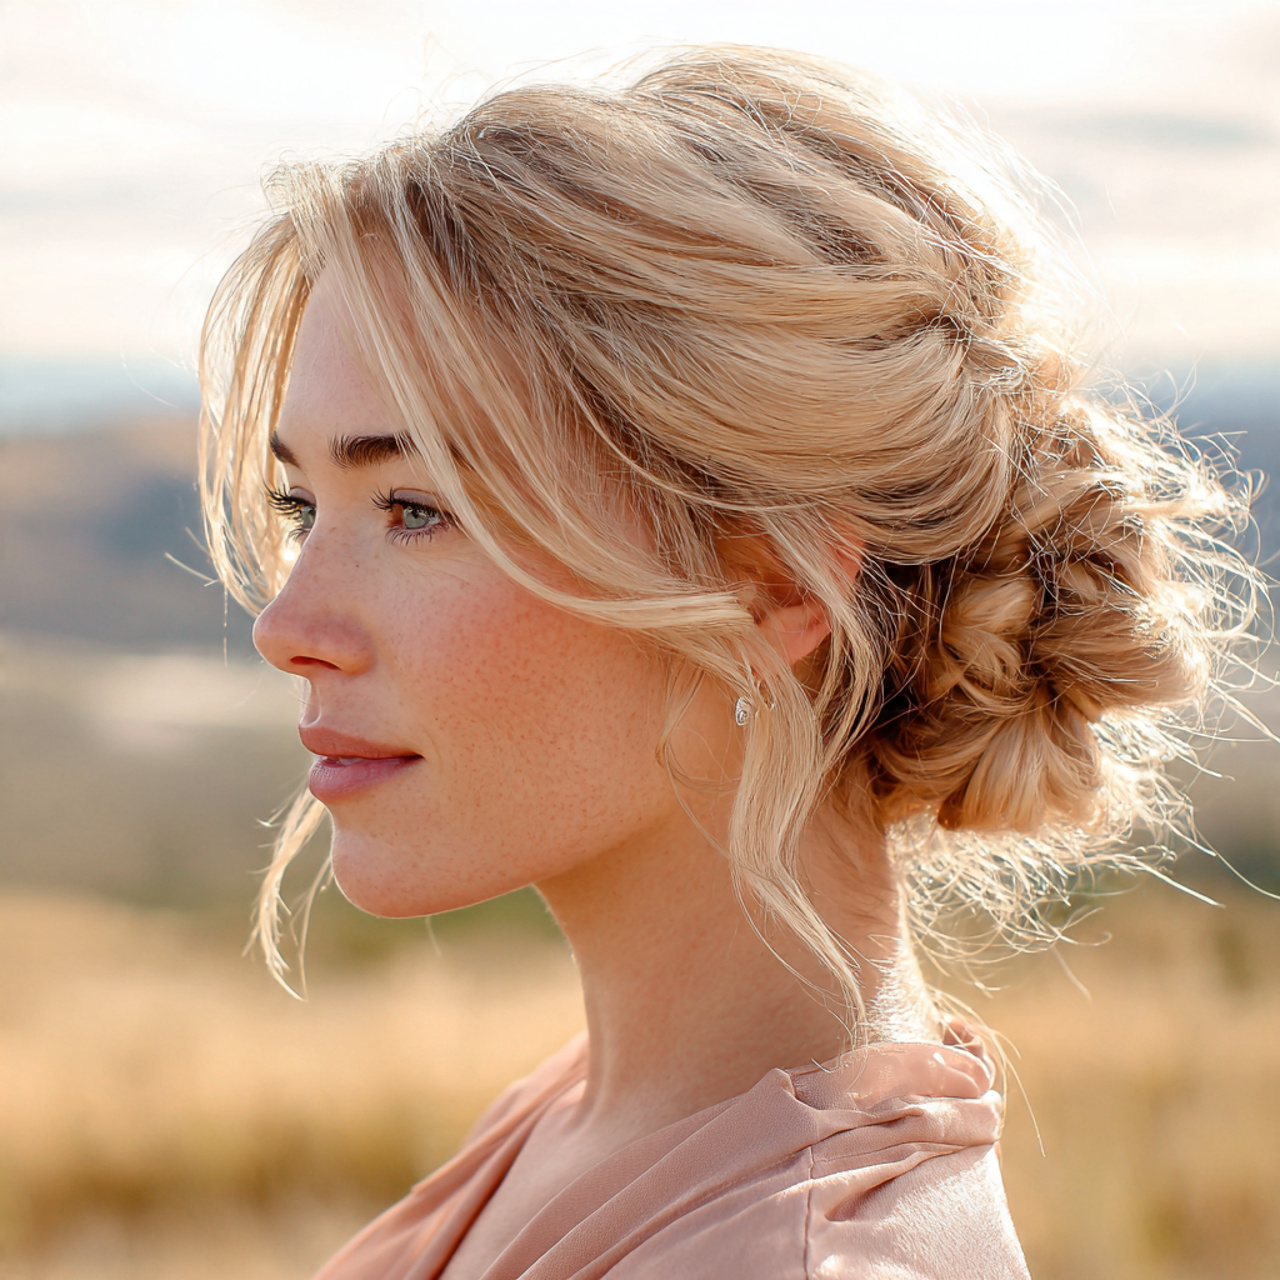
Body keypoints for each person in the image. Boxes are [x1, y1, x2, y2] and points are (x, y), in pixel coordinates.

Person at [198, 46, 1256, 1279]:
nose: (287, 624)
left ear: (771, 581)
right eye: (296, 504)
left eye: (416, 509)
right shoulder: (603, 1117)